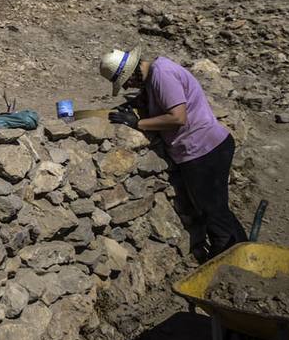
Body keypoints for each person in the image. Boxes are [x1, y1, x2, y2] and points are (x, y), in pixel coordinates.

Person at [99, 48, 247, 258]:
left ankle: (229, 260)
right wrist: (135, 104)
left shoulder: (162, 75)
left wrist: (139, 123)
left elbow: (178, 117)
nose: (127, 86)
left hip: (204, 149)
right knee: (214, 208)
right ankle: (241, 252)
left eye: (127, 81)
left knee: (213, 211)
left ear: (132, 72)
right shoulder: (153, 76)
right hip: (201, 149)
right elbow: (158, 101)